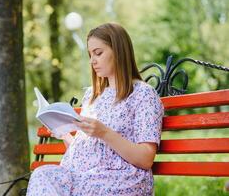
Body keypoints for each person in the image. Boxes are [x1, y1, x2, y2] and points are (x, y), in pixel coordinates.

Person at [26, 23, 164, 196]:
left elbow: (145, 158)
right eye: (90, 55)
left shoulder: (143, 94)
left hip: (121, 179)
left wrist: (104, 132)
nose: (92, 61)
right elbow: (88, 152)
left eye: (98, 53)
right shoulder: (93, 95)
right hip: (84, 176)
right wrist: (64, 133)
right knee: (42, 174)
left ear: (119, 51)